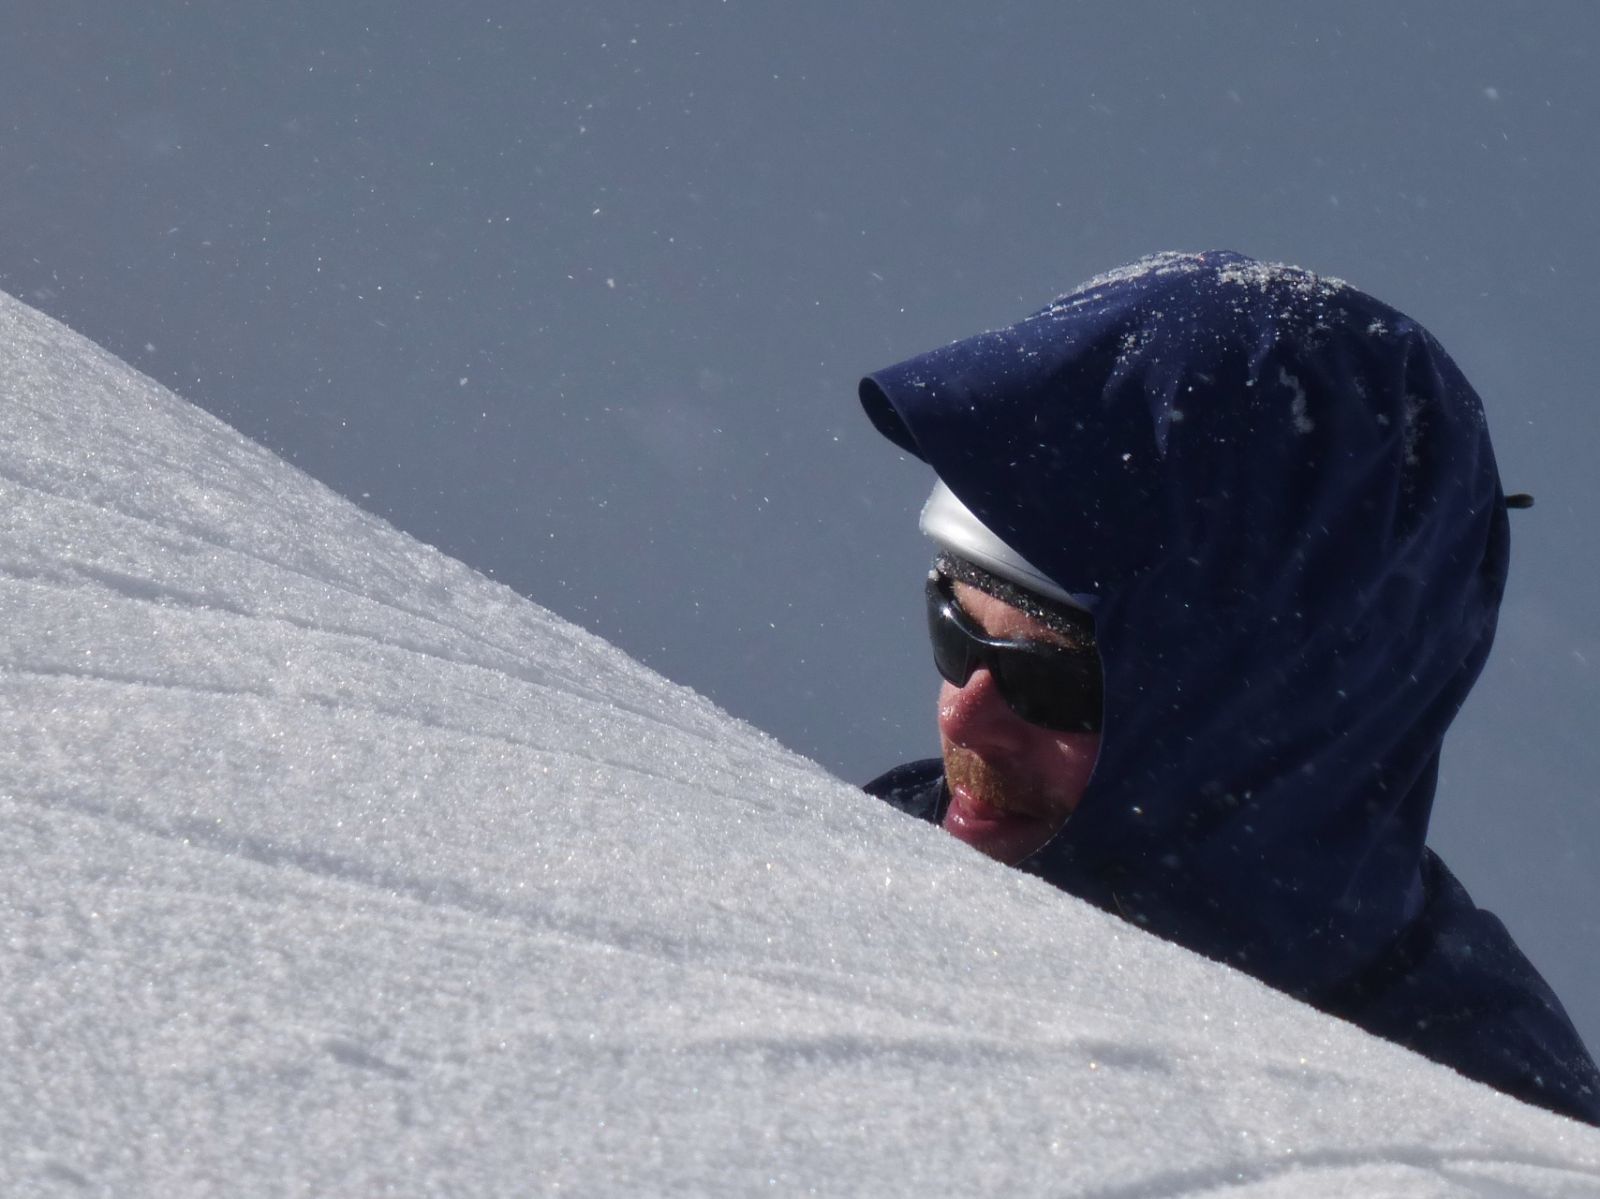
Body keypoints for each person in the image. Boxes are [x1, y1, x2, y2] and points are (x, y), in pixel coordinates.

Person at [858, 250, 1600, 1125]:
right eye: (953, 624)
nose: (965, 714)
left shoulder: (1481, 1135)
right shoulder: (859, 861)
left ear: (1275, 708)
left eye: (1048, 673)